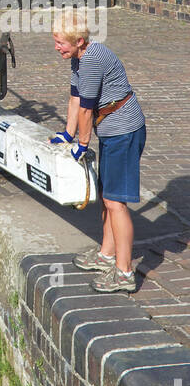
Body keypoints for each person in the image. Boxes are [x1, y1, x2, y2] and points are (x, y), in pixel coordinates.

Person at [50, 16, 146, 293]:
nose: (57, 47)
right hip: (111, 130)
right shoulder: (79, 57)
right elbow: (75, 99)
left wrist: (82, 143)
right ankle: (106, 255)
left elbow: (86, 110)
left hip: (123, 132)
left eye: (60, 43)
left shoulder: (91, 59)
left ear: (79, 41)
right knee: (108, 197)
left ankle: (125, 272)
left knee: (116, 203)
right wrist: (67, 135)